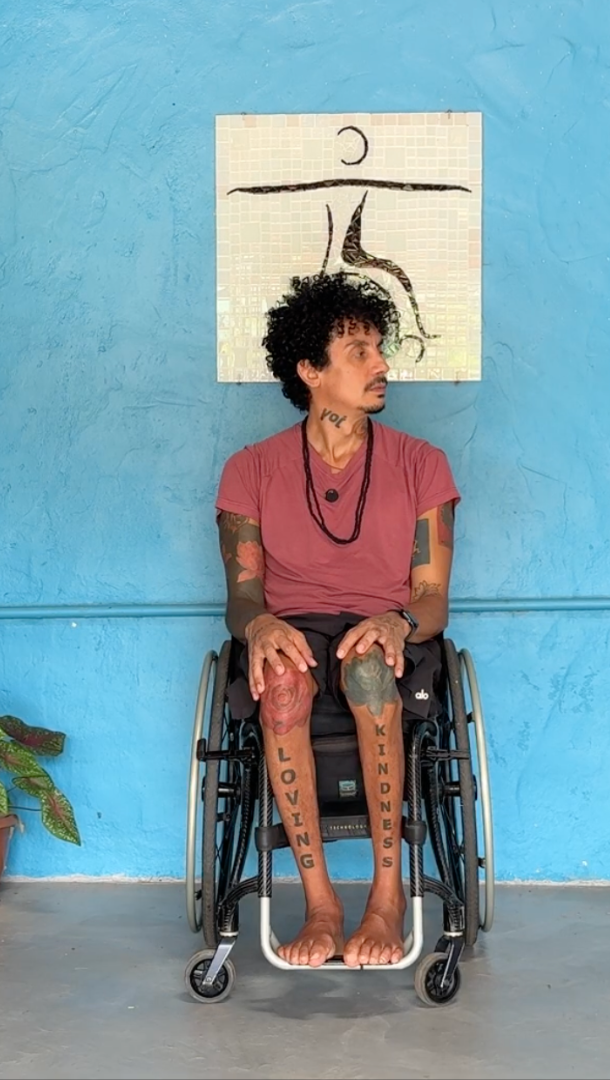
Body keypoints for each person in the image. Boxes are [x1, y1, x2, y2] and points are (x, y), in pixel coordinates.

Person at [214, 272, 460, 968]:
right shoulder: (250, 470)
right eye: (359, 350)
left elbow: (434, 597)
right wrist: (259, 627)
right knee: (283, 679)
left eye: (379, 348)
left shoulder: (422, 465)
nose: (381, 364)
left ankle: (385, 901)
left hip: (393, 633)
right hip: (292, 633)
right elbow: (242, 595)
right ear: (309, 369)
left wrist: (398, 623)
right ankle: (321, 906)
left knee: (370, 668)